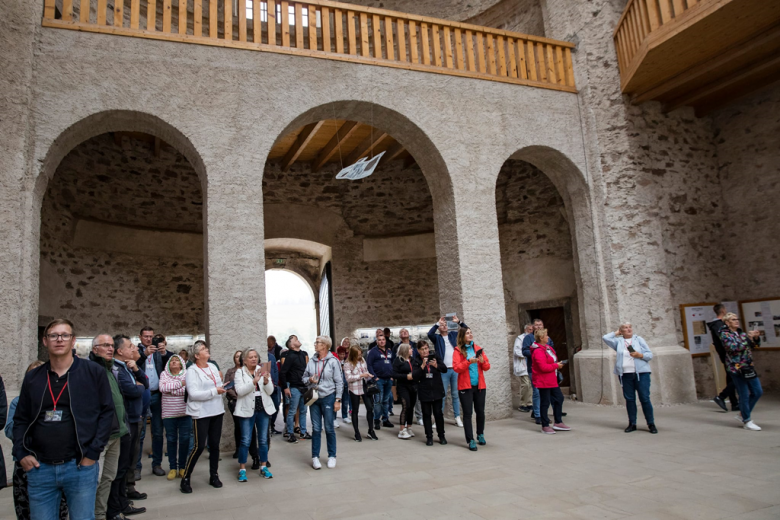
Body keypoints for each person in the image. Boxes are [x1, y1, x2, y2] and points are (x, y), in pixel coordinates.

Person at [12, 319, 114, 520]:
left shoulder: (93, 372)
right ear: (45, 341)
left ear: (73, 340)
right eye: (53, 335)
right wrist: (21, 452)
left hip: (79, 466)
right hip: (40, 468)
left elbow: (106, 413)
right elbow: (21, 418)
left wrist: (92, 453)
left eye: (65, 335)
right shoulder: (33, 378)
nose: (59, 340)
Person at [6, 361, 70, 520]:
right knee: (27, 511)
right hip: (28, 463)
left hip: (56, 462)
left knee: (59, 510)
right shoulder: (18, 401)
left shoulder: (60, 400)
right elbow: (10, 430)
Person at [89, 335, 131, 520]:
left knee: (108, 477)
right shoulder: (92, 370)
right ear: (94, 349)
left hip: (117, 433)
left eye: (111, 346)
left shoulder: (109, 369)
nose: (109, 349)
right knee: (96, 480)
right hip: (102, 435)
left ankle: (102, 513)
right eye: (105, 345)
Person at [181, 342, 226, 493]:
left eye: (206, 348)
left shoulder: (212, 367)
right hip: (201, 413)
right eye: (203, 349)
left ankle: (214, 475)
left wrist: (222, 387)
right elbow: (193, 394)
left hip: (217, 410)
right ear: (196, 355)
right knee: (199, 446)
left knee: (214, 445)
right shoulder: (192, 371)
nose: (207, 351)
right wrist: (215, 391)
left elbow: (217, 385)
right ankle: (186, 477)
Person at [112, 335, 149, 510]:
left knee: (131, 457)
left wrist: (136, 372)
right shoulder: (117, 370)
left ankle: (128, 490)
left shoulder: (128, 367)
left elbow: (146, 383)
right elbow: (133, 391)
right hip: (127, 419)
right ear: (120, 351)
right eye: (130, 346)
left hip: (136, 417)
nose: (134, 348)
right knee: (123, 461)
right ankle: (121, 501)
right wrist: (139, 385)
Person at [602, 323, 655, 434]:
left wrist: (639, 355)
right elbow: (605, 338)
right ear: (621, 331)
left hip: (641, 373)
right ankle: (632, 423)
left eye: (630, 327)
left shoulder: (639, 339)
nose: (629, 329)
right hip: (625, 374)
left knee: (644, 398)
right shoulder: (618, 342)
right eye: (625, 328)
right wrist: (617, 333)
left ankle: (651, 423)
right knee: (630, 399)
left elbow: (649, 355)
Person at [233, 348, 275, 481]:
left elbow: (270, 391)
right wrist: (253, 382)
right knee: (245, 440)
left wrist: (267, 382)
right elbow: (239, 391)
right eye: (250, 357)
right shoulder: (240, 372)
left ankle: (263, 466)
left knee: (263, 439)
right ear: (244, 360)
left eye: (255, 356)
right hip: (247, 409)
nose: (253, 359)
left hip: (262, 408)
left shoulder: (262, 369)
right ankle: (242, 469)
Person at [302, 336, 343, 469]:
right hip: (314, 398)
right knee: (316, 429)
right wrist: (310, 380)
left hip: (328, 397)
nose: (315, 344)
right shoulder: (312, 361)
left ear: (325, 345)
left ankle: (332, 456)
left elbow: (339, 382)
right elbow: (304, 378)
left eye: (317, 342)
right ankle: (315, 457)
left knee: (329, 428)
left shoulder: (333, 361)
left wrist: (338, 399)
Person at [137, 328, 172, 477]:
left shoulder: (159, 352)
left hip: (157, 395)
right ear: (140, 337)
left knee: (158, 432)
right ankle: (136, 467)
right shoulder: (135, 351)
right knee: (140, 432)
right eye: (146, 336)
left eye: (151, 336)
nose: (149, 339)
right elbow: (133, 366)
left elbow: (171, 366)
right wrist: (144, 355)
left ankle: (156, 464)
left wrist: (164, 353)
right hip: (141, 395)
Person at [719, 313, 763, 431]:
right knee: (743, 394)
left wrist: (755, 338)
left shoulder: (741, 333)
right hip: (736, 368)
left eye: (737, 319)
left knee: (757, 391)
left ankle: (742, 414)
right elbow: (732, 348)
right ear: (727, 323)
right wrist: (747, 339)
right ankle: (747, 420)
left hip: (748, 366)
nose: (737, 321)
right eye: (733, 320)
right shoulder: (724, 334)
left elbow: (753, 346)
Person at [452, 326, 490, 451]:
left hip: (479, 386)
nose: (470, 335)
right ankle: (470, 440)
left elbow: (487, 367)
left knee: (480, 412)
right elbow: (457, 368)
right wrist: (468, 361)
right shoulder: (458, 351)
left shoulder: (478, 348)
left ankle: (480, 434)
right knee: (467, 414)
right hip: (465, 386)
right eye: (467, 333)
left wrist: (482, 361)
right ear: (462, 336)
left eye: (471, 332)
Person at [427, 316, 467, 428]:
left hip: (455, 369)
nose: (444, 326)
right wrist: (436, 324)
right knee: (442, 395)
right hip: (443, 370)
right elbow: (429, 334)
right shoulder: (437, 338)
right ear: (439, 328)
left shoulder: (454, 335)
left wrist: (459, 322)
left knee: (455, 395)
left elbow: (466, 330)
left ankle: (457, 417)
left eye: (445, 325)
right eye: (441, 325)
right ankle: (438, 418)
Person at [533, 328, 571, 435]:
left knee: (559, 398)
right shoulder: (537, 351)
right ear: (541, 338)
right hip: (543, 380)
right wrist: (556, 365)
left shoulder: (548, 348)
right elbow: (543, 367)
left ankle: (558, 422)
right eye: (546, 335)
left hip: (552, 379)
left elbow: (551, 361)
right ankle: (545, 425)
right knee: (545, 402)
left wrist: (557, 364)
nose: (548, 337)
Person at [159, 354, 191, 480]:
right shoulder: (164, 374)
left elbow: (188, 390)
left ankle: (182, 467)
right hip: (168, 414)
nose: (174, 362)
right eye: (171, 361)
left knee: (184, 440)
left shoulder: (187, 374)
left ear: (181, 364)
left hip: (185, 412)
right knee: (171, 440)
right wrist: (181, 384)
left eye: (177, 360)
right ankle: (173, 467)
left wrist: (171, 389)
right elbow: (162, 388)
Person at [415, 340, 448, 446]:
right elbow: (415, 376)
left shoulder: (435, 357)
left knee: (438, 414)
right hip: (424, 391)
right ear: (418, 351)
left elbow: (444, 369)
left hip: (437, 390)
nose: (425, 351)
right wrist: (422, 367)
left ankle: (441, 436)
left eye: (426, 348)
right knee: (426, 415)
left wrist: (436, 365)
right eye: (422, 349)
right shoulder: (416, 361)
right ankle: (429, 437)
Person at [343, 342, 377, 441]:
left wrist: (368, 375)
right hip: (354, 389)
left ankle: (371, 430)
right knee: (355, 410)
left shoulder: (362, 360)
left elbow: (365, 370)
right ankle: (356, 432)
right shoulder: (347, 363)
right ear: (353, 355)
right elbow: (348, 378)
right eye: (358, 354)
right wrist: (361, 376)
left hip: (365, 386)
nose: (360, 356)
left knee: (370, 408)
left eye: (361, 354)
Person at [708, 304, 739, 412]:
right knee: (737, 376)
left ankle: (734, 402)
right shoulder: (718, 326)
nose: (736, 321)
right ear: (723, 311)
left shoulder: (719, 325)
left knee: (732, 377)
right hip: (729, 355)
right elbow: (724, 340)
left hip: (731, 355)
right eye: (733, 320)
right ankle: (722, 397)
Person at [280, 335, 310, 443]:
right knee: (292, 411)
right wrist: (285, 388)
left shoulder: (303, 354)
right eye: (295, 340)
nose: (298, 340)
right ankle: (290, 433)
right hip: (294, 387)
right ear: (292, 345)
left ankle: (303, 431)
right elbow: (283, 373)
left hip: (304, 387)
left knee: (303, 411)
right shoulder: (290, 356)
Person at [522, 319, 551, 425]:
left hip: (547, 368)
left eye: (540, 325)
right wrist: (537, 352)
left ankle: (536, 411)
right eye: (536, 325)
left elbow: (552, 349)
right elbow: (524, 351)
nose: (538, 327)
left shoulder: (547, 337)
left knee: (546, 392)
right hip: (533, 369)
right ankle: (538, 415)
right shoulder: (528, 338)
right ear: (533, 327)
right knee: (537, 392)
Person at [365, 335, 395, 431]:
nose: (382, 341)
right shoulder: (373, 352)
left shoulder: (389, 351)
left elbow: (393, 363)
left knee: (386, 400)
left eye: (383, 340)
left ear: (385, 341)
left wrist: (392, 376)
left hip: (388, 379)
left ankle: (385, 419)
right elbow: (369, 365)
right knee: (378, 401)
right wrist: (375, 377)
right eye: (379, 340)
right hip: (379, 380)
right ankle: (376, 420)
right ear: (376, 341)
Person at [393, 344, 420, 439]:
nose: (412, 350)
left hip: (413, 386)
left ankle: (409, 427)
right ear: (405, 350)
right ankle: (401, 430)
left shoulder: (413, 360)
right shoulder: (398, 360)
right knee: (406, 406)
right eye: (410, 348)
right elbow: (394, 374)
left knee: (411, 407)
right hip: (403, 386)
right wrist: (405, 376)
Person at [224, 351, 246, 458]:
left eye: (240, 356)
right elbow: (227, 387)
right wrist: (237, 396)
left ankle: (249, 449)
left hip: (247, 401)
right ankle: (238, 448)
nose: (238, 358)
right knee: (238, 426)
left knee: (247, 427)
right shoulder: (230, 371)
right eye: (236, 356)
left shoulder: (247, 370)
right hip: (235, 401)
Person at [513, 324, 534, 412]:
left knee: (530, 386)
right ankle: (522, 403)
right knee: (525, 384)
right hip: (523, 364)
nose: (531, 331)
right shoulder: (520, 338)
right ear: (525, 329)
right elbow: (517, 351)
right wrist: (528, 354)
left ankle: (529, 403)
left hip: (530, 365)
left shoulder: (533, 338)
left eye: (532, 329)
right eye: (529, 329)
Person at [267, 336, 283, 434]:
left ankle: (272, 425)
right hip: (265, 386)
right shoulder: (261, 357)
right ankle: (268, 427)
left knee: (276, 406)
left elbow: (276, 371)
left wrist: (276, 383)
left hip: (275, 387)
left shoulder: (272, 356)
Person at [336, 341, 351, 426]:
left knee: (345, 401)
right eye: (340, 354)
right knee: (336, 400)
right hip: (338, 384)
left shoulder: (346, 361)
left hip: (345, 383)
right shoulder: (335, 361)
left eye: (343, 354)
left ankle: (345, 416)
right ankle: (334, 418)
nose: (342, 355)